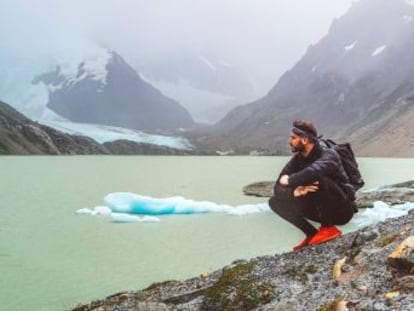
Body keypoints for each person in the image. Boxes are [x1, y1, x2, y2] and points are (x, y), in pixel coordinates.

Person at [268, 120, 356, 251]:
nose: (289, 141)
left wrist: (289, 181)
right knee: (275, 202)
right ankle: (311, 233)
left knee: (316, 178)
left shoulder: (329, 154)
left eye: (293, 138)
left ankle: (328, 228)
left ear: (304, 140)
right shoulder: (297, 159)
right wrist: (294, 192)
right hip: (318, 209)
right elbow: (277, 188)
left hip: (342, 210)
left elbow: (313, 172)